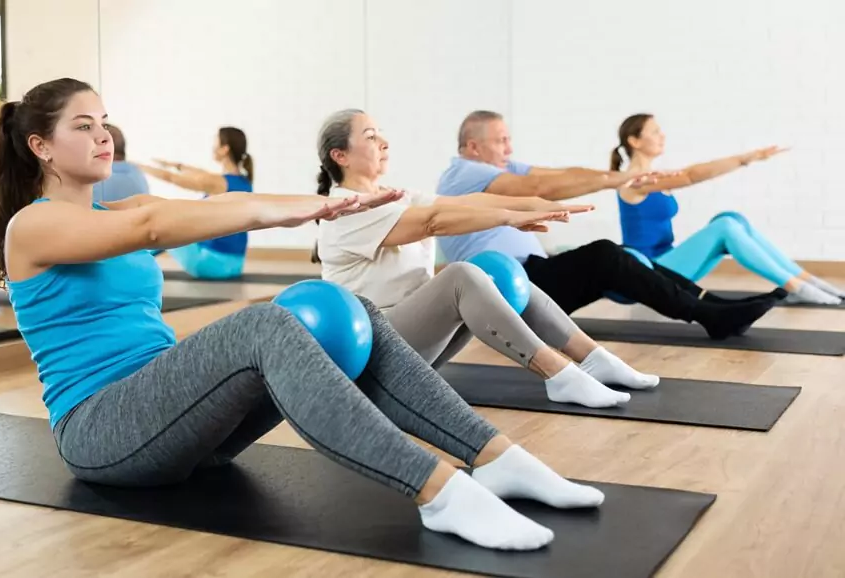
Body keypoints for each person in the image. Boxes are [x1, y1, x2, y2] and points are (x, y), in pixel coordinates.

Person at [0, 77, 610, 553]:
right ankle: (439, 492)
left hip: (182, 424)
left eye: (105, 123)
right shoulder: (32, 227)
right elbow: (157, 223)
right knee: (265, 322)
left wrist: (315, 207)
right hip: (103, 431)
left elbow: (221, 202)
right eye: (83, 126)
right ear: (40, 146)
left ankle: (499, 459)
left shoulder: (114, 211)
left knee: (349, 309)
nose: (103, 137)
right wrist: (288, 214)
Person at [314, 109, 660, 409]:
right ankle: (558, 375)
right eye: (371, 137)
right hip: (375, 351)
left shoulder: (393, 197)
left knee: (494, 267)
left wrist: (532, 205)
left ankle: (594, 358)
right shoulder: (346, 210)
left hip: (414, 337)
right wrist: (510, 218)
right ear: (340, 155)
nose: (384, 143)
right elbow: (433, 222)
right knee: (460, 276)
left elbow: (463, 203)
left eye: (381, 135)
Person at [435, 110, 783, 340]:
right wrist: (614, 181)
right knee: (604, 254)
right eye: (501, 141)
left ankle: (718, 307)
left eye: (509, 139)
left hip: (529, 276)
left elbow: (556, 174)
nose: (509, 147)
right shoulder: (466, 172)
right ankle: (709, 314)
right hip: (506, 289)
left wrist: (616, 175)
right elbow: (539, 188)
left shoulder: (495, 167)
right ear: (473, 146)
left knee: (616, 254)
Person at [613, 113, 842, 305]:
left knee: (731, 218)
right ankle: (795, 287)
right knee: (724, 227)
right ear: (634, 141)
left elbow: (687, 173)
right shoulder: (634, 182)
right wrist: (745, 158)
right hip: (646, 274)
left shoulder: (655, 178)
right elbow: (691, 175)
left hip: (668, 265)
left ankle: (806, 280)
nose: (662, 136)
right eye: (654, 131)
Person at [0, 123, 148, 298]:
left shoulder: (96, 178)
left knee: (8, 240)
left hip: (97, 242)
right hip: (118, 244)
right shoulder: (136, 173)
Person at [136, 127, 254, 279]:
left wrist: (136, 166)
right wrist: (176, 165)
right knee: (177, 225)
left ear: (224, 149)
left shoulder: (218, 183)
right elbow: (201, 174)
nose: (213, 147)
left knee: (161, 227)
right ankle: (137, 258)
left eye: (215, 143)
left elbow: (170, 178)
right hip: (235, 266)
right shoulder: (244, 182)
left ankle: (129, 262)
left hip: (211, 265)